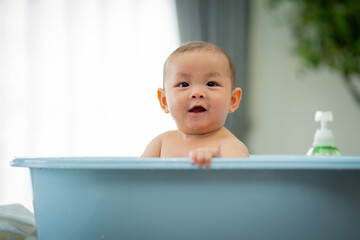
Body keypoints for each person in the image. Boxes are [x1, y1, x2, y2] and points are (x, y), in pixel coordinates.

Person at [141, 41, 249, 167]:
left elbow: (239, 179)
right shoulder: (160, 144)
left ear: (233, 100)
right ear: (164, 101)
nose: (197, 93)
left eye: (211, 84)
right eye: (183, 84)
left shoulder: (229, 146)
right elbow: (133, 180)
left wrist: (217, 162)